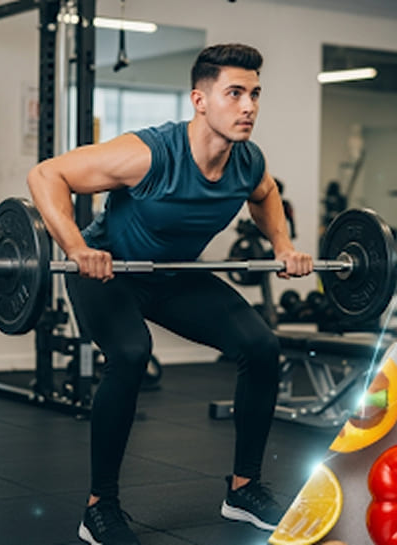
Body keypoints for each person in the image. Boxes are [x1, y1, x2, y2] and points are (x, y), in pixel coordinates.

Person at [26, 43, 313, 545]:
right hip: (108, 271)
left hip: (172, 275)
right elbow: (47, 174)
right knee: (132, 354)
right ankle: (100, 508)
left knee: (262, 346)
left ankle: (243, 490)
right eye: (235, 93)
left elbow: (265, 195)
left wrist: (284, 245)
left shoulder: (247, 163)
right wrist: (75, 247)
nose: (248, 107)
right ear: (200, 100)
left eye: (255, 94)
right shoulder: (149, 153)